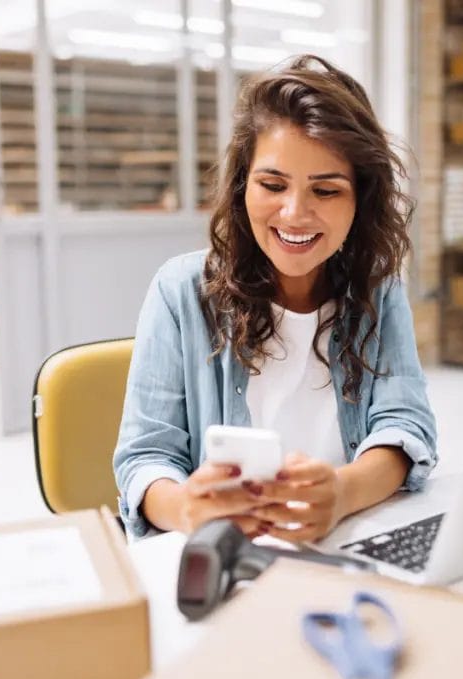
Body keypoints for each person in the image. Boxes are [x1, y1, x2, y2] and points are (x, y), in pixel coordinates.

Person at [113, 54, 437, 542]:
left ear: (359, 201)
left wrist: (343, 493)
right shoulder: (181, 291)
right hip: (230, 555)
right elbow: (146, 457)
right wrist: (186, 509)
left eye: (326, 191)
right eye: (272, 185)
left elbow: (404, 424)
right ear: (243, 186)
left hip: (345, 542)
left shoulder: (377, 288)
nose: (295, 213)